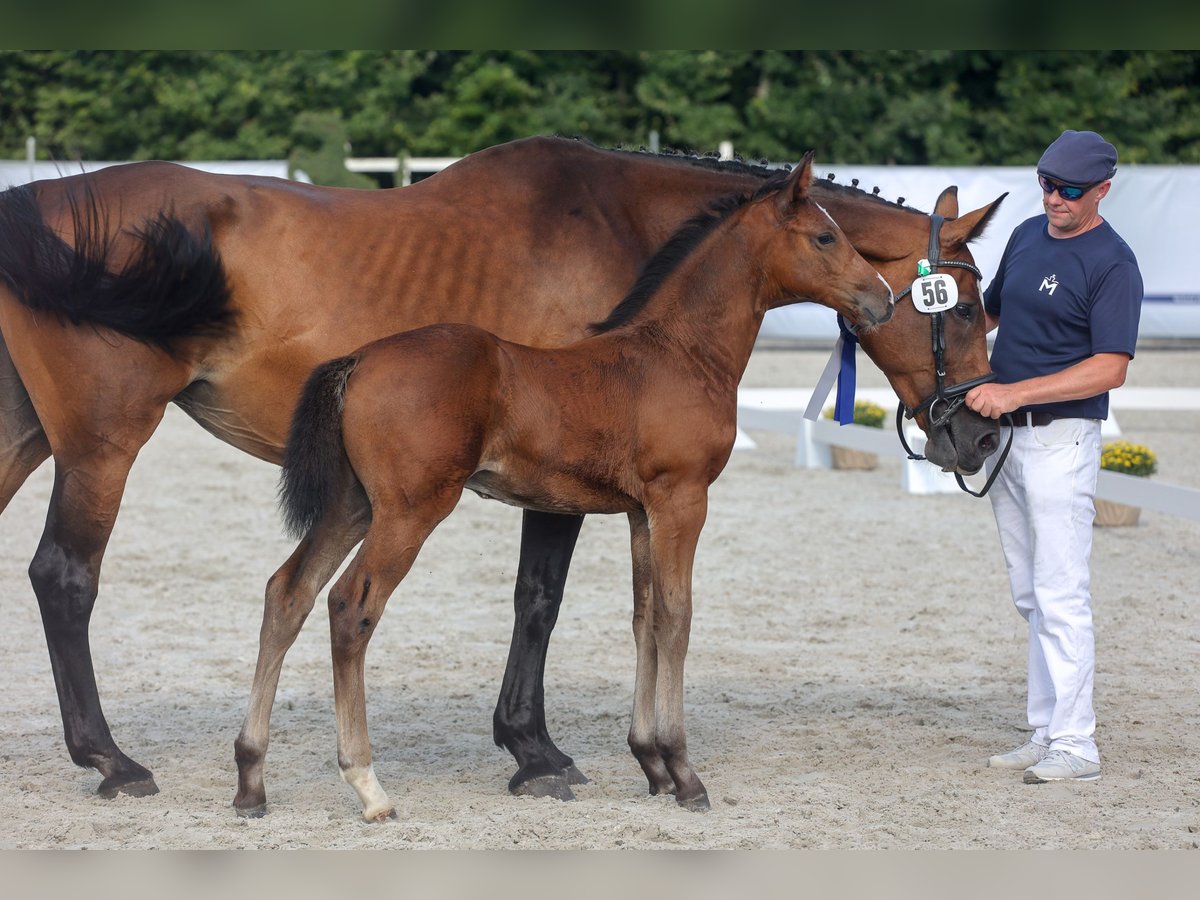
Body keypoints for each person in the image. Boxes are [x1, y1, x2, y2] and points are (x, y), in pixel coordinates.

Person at [965, 129, 1143, 784]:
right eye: (1045, 183)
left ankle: (1078, 745)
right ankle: (1045, 729)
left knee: (1062, 594)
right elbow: (985, 317)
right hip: (1005, 440)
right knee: (1027, 592)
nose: (1054, 198)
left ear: (1102, 190)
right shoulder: (1025, 235)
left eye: (1069, 190)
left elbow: (1109, 368)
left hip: (1061, 441)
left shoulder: (1113, 262)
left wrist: (1013, 390)